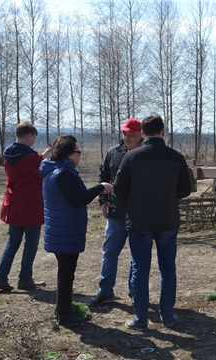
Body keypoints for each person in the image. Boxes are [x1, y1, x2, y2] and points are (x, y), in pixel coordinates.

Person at [113, 114, 192, 330]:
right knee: (168, 268)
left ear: (143, 134)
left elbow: (119, 190)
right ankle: (167, 315)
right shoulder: (176, 157)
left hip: (139, 221)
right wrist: (168, 194)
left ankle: (140, 318)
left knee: (140, 268)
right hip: (167, 218)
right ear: (163, 132)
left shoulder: (131, 157)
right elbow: (186, 189)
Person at [39, 135, 113, 327]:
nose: (80, 155)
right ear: (69, 154)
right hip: (65, 230)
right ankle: (64, 315)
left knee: (65, 271)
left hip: (61, 229)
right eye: (79, 152)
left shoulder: (55, 170)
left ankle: (62, 310)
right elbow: (78, 199)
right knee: (66, 273)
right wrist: (100, 187)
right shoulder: (63, 173)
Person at [88, 118, 142, 307]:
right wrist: (103, 201)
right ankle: (105, 291)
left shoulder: (145, 154)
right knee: (109, 253)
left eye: (131, 134)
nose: (127, 138)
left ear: (140, 134)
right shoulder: (113, 153)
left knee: (137, 257)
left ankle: (135, 292)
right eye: (125, 134)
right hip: (117, 212)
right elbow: (103, 177)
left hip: (139, 215)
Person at [0, 122, 50, 291]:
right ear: (28, 136)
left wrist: (41, 157)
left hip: (14, 202)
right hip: (30, 204)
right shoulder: (30, 157)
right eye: (33, 138)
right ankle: (25, 278)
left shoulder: (8, 154)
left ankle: (1, 277)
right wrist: (45, 157)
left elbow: (26, 168)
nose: (33, 141)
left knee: (13, 241)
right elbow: (40, 171)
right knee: (31, 242)